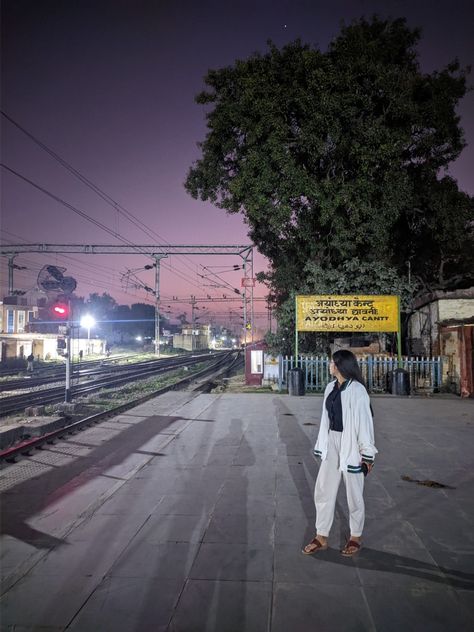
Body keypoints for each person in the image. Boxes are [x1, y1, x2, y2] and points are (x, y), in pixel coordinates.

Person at [303, 349, 377, 557]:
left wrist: (367, 455)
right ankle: (321, 535)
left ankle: (355, 536)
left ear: (340, 365)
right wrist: (323, 444)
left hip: (351, 444)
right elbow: (326, 420)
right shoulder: (330, 388)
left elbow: (365, 424)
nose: (329, 365)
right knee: (324, 490)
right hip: (332, 442)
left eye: (332, 362)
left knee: (354, 494)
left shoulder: (358, 391)